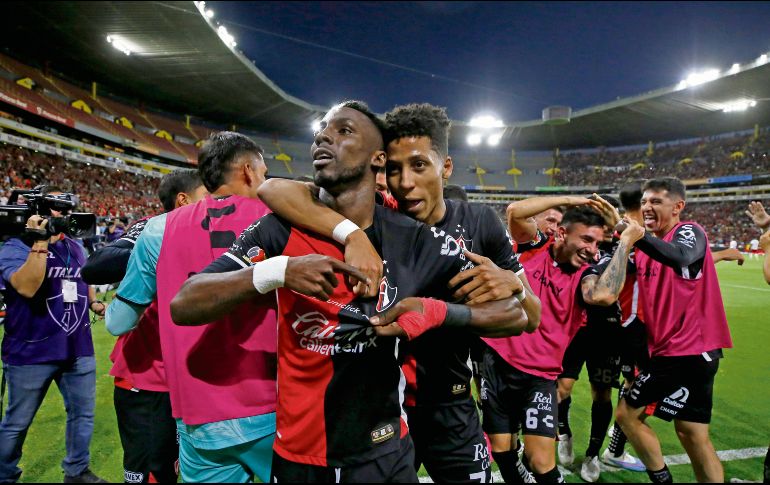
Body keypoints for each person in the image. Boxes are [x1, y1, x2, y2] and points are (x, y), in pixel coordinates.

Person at [170, 101, 528, 483]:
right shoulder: (280, 229)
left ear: (377, 159)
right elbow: (185, 303)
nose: (324, 135)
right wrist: (279, 271)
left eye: (344, 131)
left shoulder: (417, 240)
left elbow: (514, 314)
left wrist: (439, 312)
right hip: (298, 458)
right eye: (323, 129)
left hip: (386, 454)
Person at [105, 132, 277, 483]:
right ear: (247, 170)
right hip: (273, 404)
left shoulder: (156, 229)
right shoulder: (279, 216)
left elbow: (119, 322)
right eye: (263, 171)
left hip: (198, 413)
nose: (265, 180)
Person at [485, 196, 645, 483]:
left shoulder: (587, 272)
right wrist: (573, 200)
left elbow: (602, 295)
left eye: (597, 243)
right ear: (561, 233)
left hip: (540, 375)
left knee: (540, 460)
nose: (592, 250)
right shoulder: (533, 247)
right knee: (500, 449)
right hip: (497, 362)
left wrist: (625, 243)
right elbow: (515, 212)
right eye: (586, 239)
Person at [82, 169, 207, 483]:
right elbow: (96, 267)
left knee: (175, 469)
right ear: (183, 199)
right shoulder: (150, 229)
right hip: (147, 378)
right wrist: (159, 249)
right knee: (149, 472)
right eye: (206, 195)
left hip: (188, 377)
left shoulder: (212, 230)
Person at [616, 177, 733, 484]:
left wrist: (637, 236)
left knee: (627, 415)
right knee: (692, 433)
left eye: (655, 201)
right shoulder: (645, 248)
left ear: (678, 206)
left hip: (686, 351)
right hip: (685, 353)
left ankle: (662, 480)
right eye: (644, 202)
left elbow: (683, 256)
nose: (647, 207)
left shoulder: (688, 231)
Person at [0, 185, 107, 483]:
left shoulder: (74, 246)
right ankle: (4, 474)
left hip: (77, 346)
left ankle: (77, 471)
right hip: (31, 350)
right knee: (17, 423)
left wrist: (95, 302)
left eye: (67, 210)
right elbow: (27, 286)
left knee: (83, 416)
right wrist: (40, 242)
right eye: (59, 210)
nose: (65, 217)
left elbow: (82, 277)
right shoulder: (14, 247)